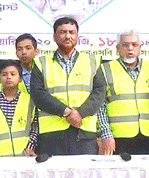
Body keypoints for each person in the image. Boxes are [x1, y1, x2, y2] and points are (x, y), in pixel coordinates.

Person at [30, 17, 105, 155]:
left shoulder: (92, 61)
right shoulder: (41, 62)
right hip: (52, 135)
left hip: (84, 133)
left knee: (84, 169)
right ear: (54, 37)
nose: (68, 36)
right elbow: (38, 94)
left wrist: (80, 113)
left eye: (72, 32)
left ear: (77, 36)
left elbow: (99, 92)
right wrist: (66, 112)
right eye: (62, 32)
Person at [97, 29, 149, 155]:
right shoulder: (105, 69)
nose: (130, 49)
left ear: (140, 47)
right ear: (117, 48)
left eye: (134, 45)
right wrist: (106, 134)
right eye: (125, 45)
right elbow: (100, 106)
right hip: (118, 138)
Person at [0, 61, 38, 157]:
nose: (9, 77)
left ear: (20, 78)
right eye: (4, 74)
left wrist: (30, 147)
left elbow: (34, 128)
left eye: (13, 74)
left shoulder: (30, 101)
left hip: (23, 156)